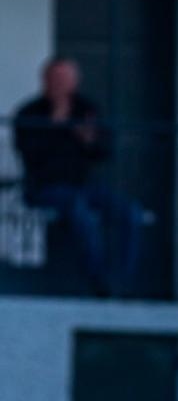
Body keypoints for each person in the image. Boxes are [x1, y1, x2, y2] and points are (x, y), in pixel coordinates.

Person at [11, 57, 144, 296]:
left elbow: (105, 150)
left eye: (66, 79)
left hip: (84, 186)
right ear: (45, 80)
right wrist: (55, 126)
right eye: (56, 78)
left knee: (130, 212)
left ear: (75, 82)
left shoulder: (86, 110)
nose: (61, 84)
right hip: (44, 187)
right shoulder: (29, 112)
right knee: (78, 211)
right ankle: (98, 279)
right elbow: (28, 152)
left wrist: (88, 140)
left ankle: (124, 281)